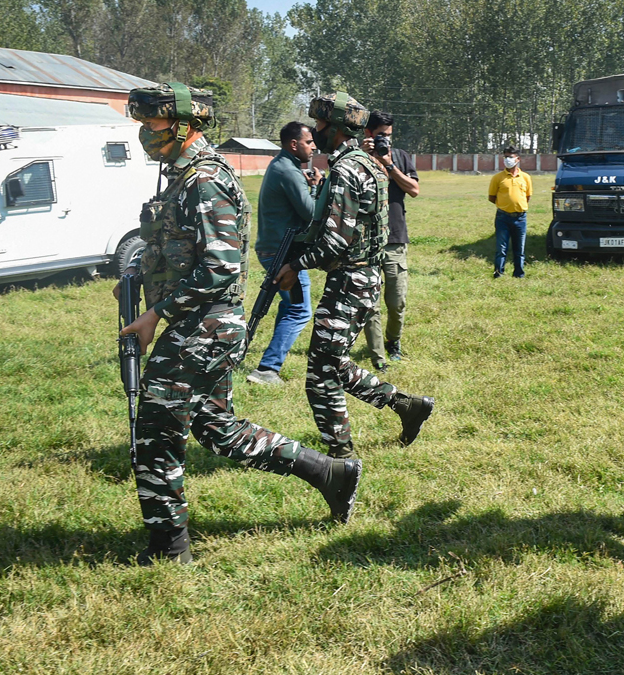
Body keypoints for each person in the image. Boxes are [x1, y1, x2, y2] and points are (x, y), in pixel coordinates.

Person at [118, 83, 361, 565]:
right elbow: (180, 250)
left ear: (184, 125)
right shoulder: (182, 175)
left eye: (152, 124)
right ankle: (330, 473)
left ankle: (169, 548)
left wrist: (155, 315)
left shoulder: (205, 179)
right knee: (216, 427)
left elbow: (222, 266)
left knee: (156, 431)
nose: (145, 134)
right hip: (202, 324)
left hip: (202, 328)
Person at [274, 91, 435, 460]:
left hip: (351, 280)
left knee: (320, 375)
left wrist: (295, 266)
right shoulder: (365, 162)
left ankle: (341, 459)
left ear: (338, 128)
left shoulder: (347, 169)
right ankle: (407, 407)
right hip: (362, 278)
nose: (316, 133)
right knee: (333, 364)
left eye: (321, 126)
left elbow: (335, 241)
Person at [246, 121, 319, 386]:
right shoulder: (288, 171)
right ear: (293, 144)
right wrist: (317, 188)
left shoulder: (282, 166)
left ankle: (268, 364)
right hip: (281, 254)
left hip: (273, 249)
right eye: (309, 142)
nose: (313, 147)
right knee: (300, 309)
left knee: (290, 306)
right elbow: (311, 213)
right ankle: (267, 369)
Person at [360, 111, 420, 372]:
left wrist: (389, 164)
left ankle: (393, 341)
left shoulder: (401, 157)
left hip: (395, 238)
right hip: (366, 241)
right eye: (381, 135)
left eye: (389, 136)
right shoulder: (358, 158)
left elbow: (414, 190)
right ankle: (378, 355)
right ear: (368, 134)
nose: (385, 140)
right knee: (370, 304)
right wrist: (367, 157)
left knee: (396, 301)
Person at [488, 146, 533, 278]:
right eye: (506, 157)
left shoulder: (525, 177)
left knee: (519, 249)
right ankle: (498, 273)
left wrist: (517, 206)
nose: (508, 160)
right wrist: (505, 205)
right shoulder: (498, 178)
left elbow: (528, 196)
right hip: (503, 218)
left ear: (518, 159)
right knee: (501, 249)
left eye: (511, 157)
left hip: (520, 218)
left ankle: (519, 274)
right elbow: (492, 197)